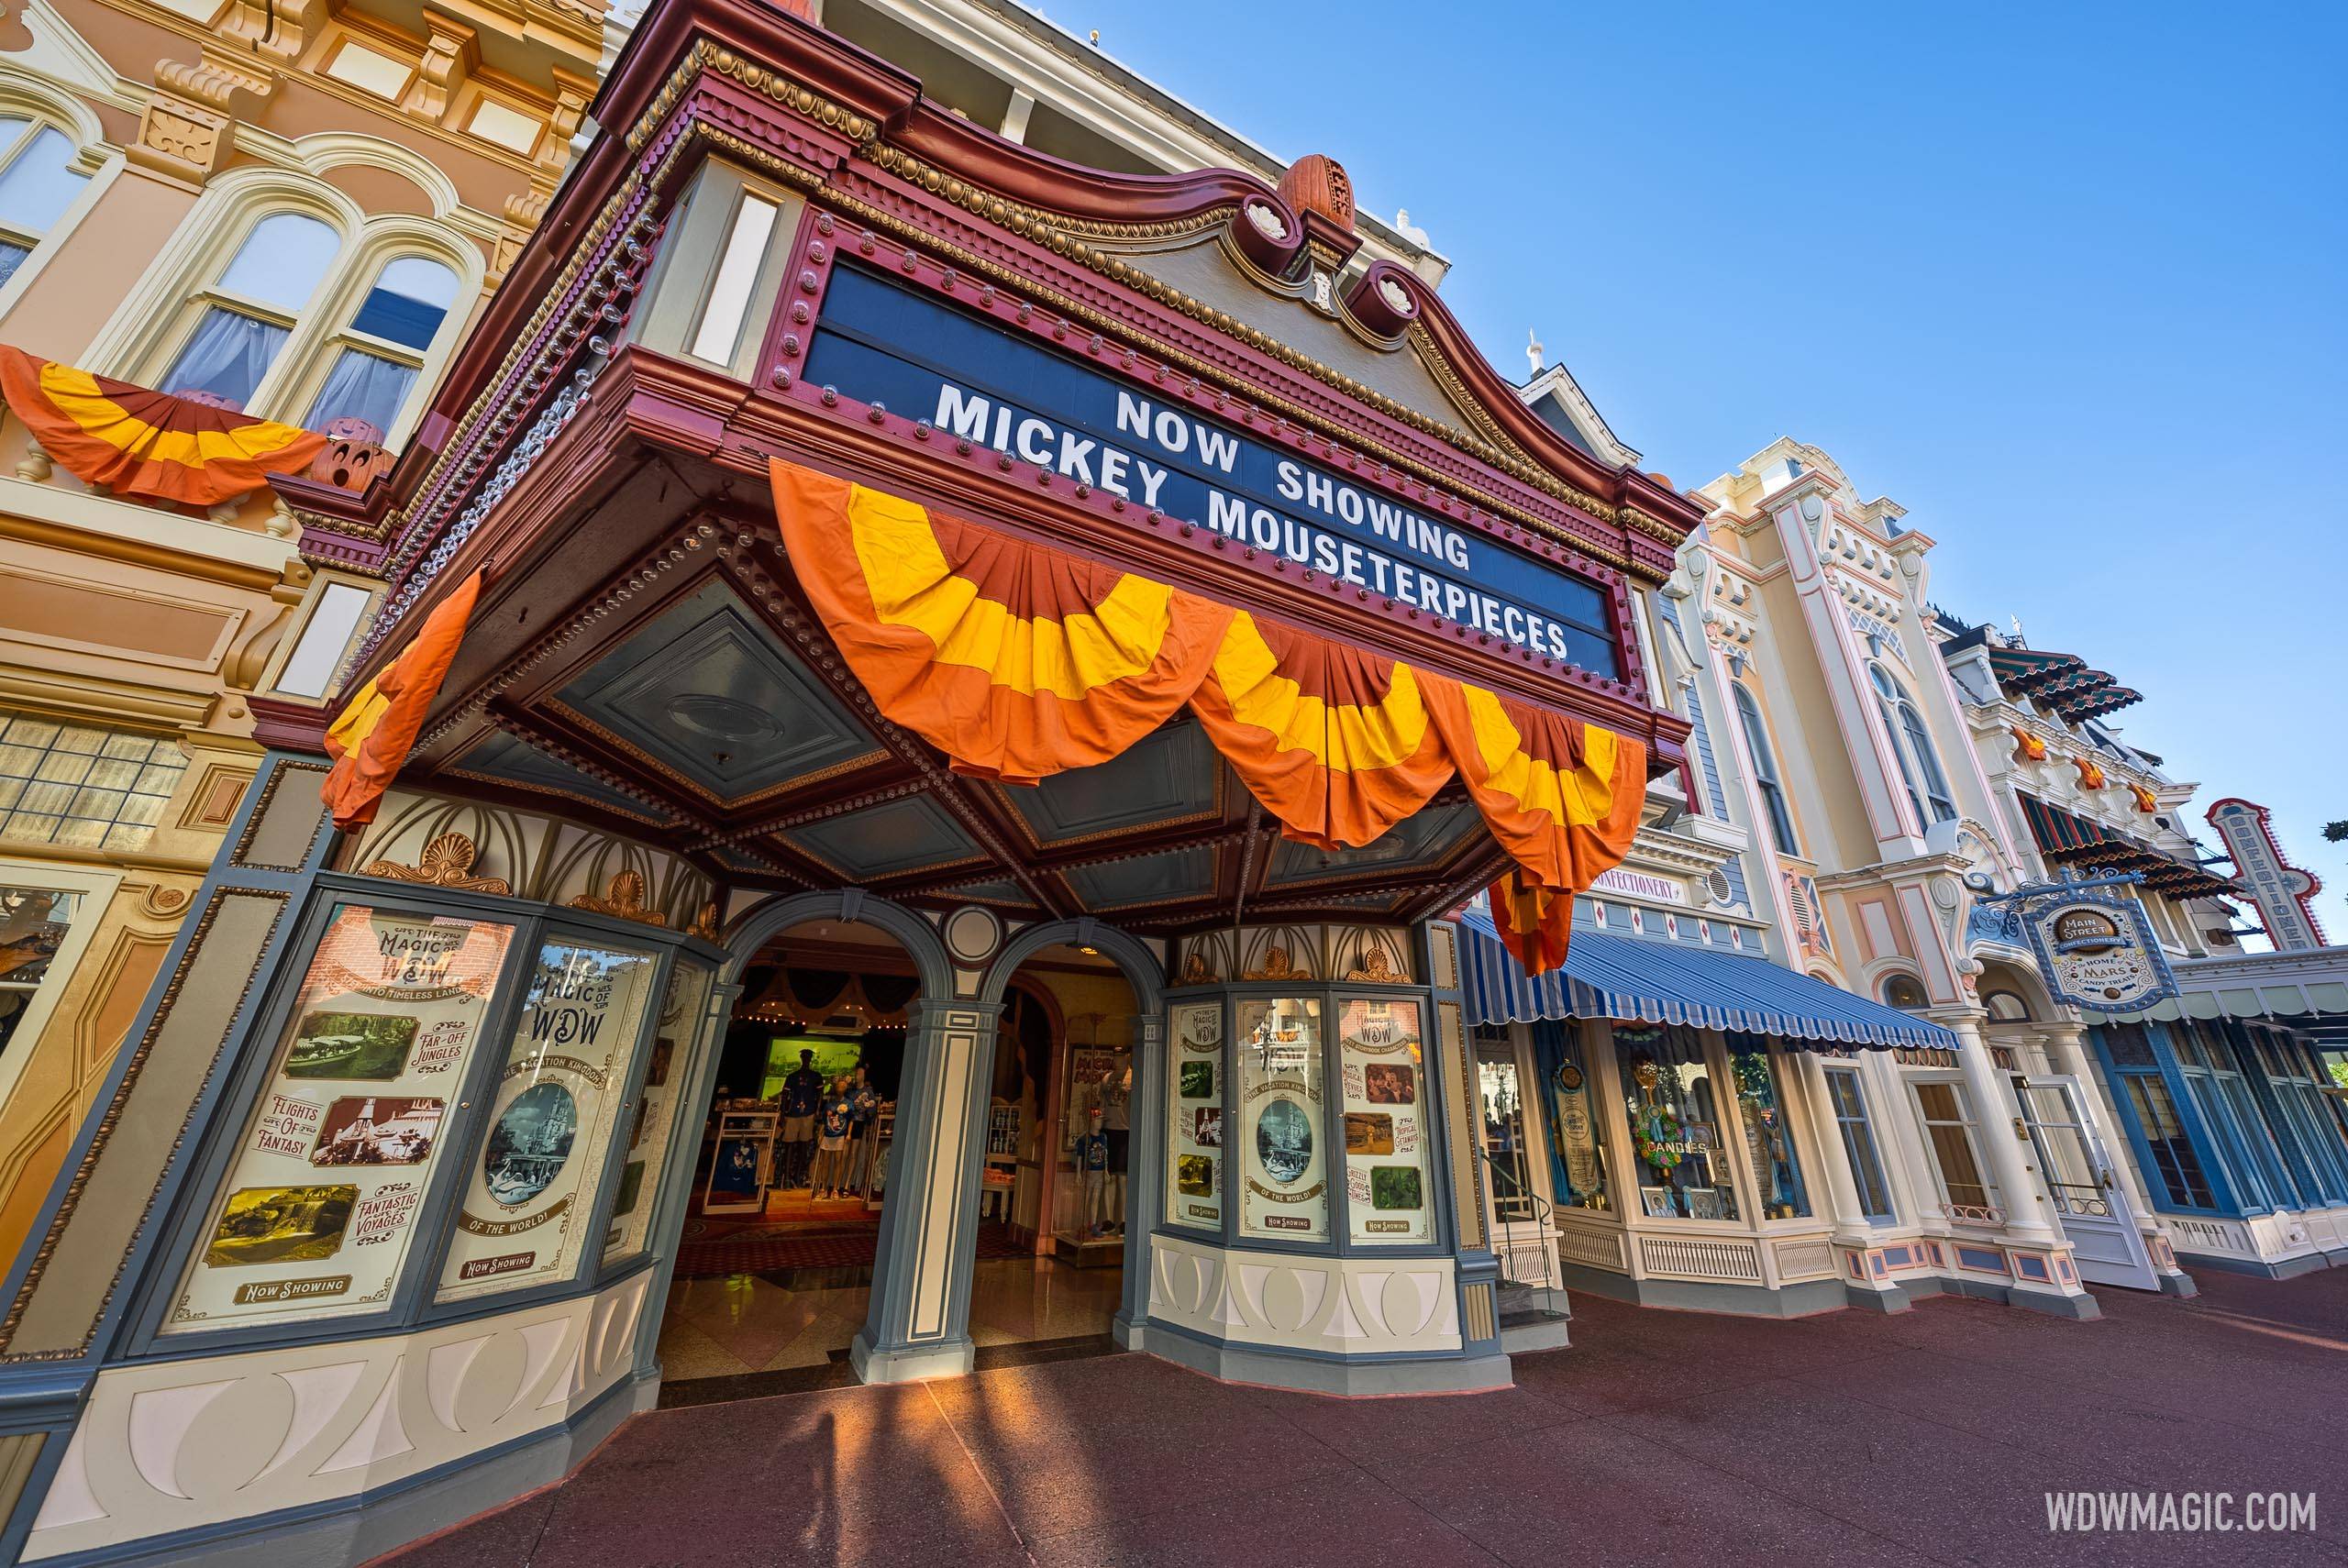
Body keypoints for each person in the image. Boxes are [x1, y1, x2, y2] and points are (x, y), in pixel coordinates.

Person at [779, 1047, 824, 1189]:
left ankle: (798, 1176)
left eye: (808, 1057)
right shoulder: (792, 1076)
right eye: (804, 1056)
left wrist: (817, 1111)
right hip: (792, 1113)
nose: (806, 1059)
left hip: (808, 1113)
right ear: (801, 1058)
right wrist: (782, 1114)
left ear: (811, 1059)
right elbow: (785, 1096)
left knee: (804, 1146)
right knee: (789, 1145)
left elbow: (820, 1095)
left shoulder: (816, 1076)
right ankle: (786, 1177)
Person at [810, 1077, 854, 1199]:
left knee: (838, 1162)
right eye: (839, 1086)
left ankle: (835, 1188)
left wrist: (849, 1134)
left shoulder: (848, 1104)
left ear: (846, 1088)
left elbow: (851, 1120)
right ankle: (823, 1188)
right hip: (828, 1136)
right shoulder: (829, 1104)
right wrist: (820, 1133)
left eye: (843, 1086)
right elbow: (824, 1121)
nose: (840, 1088)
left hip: (840, 1136)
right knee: (825, 1163)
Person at [845, 1066, 880, 1197]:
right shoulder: (850, 1090)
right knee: (843, 1155)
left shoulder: (868, 1090)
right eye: (856, 1072)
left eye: (860, 1073)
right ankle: (839, 1184)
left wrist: (868, 1108)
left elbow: (872, 1110)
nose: (857, 1074)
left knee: (853, 1154)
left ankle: (848, 1184)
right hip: (847, 1123)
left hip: (859, 1123)